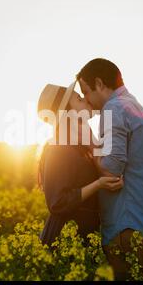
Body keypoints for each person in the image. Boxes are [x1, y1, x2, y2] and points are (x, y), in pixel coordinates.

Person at [77, 58, 143, 280]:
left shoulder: (114, 108)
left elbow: (111, 170)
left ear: (99, 83)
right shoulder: (131, 105)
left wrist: (89, 142)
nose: (86, 100)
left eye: (86, 92)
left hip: (127, 228)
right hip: (141, 225)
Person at [37, 82, 124, 246]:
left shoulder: (83, 142)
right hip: (64, 240)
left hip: (82, 237)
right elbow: (58, 203)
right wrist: (98, 185)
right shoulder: (59, 149)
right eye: (78, 98)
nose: (85, 100)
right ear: (68, 112)